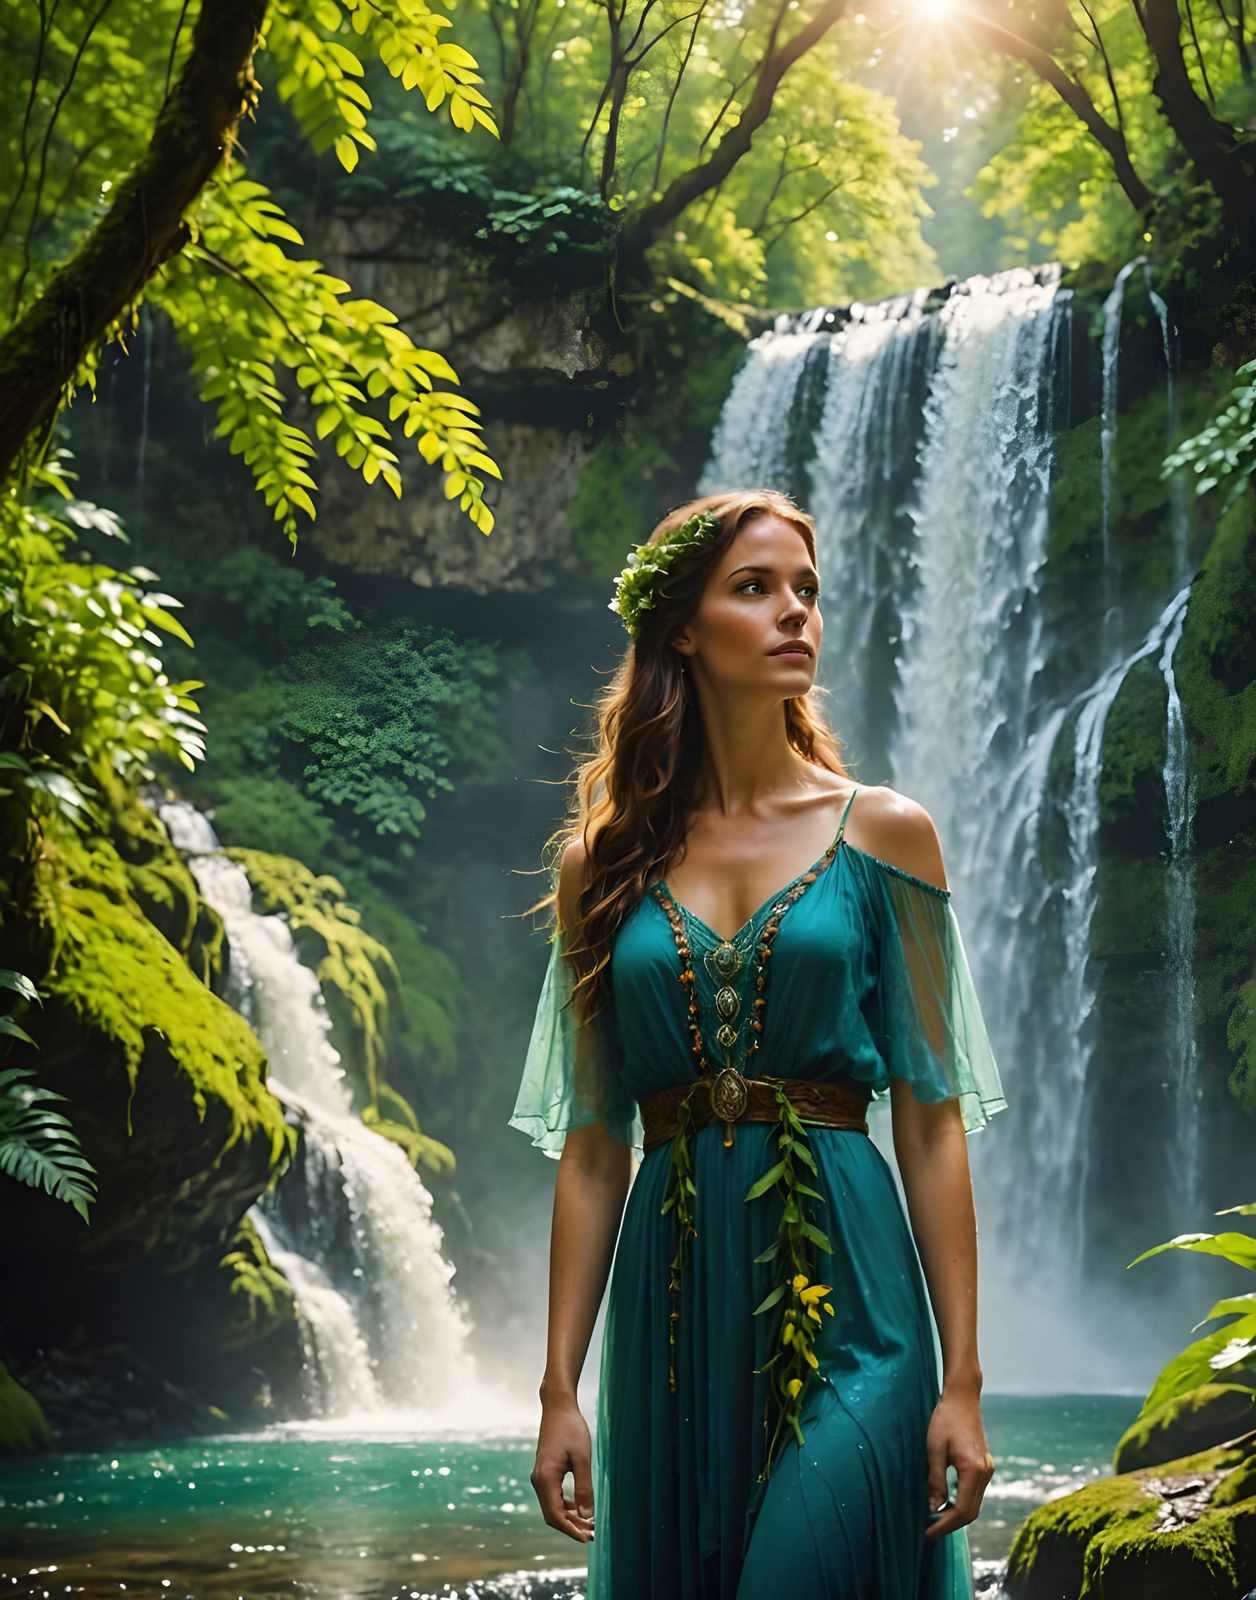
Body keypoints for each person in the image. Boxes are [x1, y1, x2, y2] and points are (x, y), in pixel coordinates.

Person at [510, 488, 1008, 1599]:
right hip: (672, 1308)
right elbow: (594, 1148)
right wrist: (557, 1389)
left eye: (806, 591)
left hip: (856, 1296)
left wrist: (962, 1379)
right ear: (681, 628)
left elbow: (929, 1121)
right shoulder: (602, 863)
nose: (795, 614)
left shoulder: (886, 832)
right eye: (756, 589)